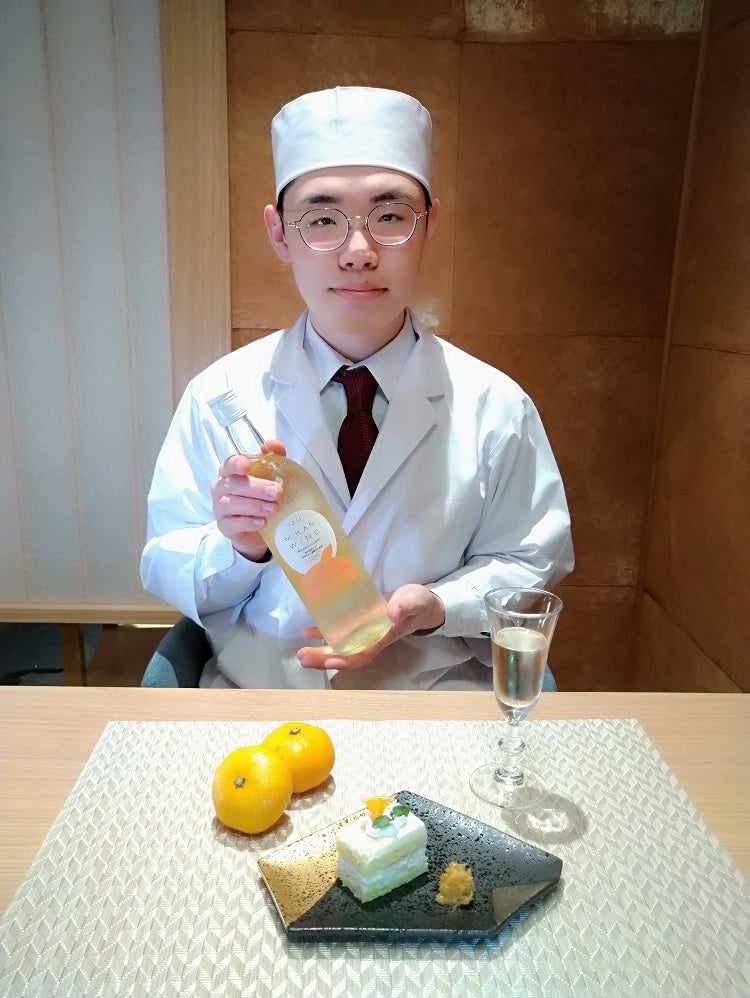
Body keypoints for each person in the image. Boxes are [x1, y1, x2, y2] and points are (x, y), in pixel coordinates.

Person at [140, 86, 574, 690]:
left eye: (390, 217)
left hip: (435, 700)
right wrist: (239, 548)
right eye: (322, 220)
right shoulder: (219, 396)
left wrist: (439, 605)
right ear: (279, 233)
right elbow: (166, 564)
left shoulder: (496, 406)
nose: (359, 252)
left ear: (430, 225)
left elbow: (529, 558)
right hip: (260, 698)